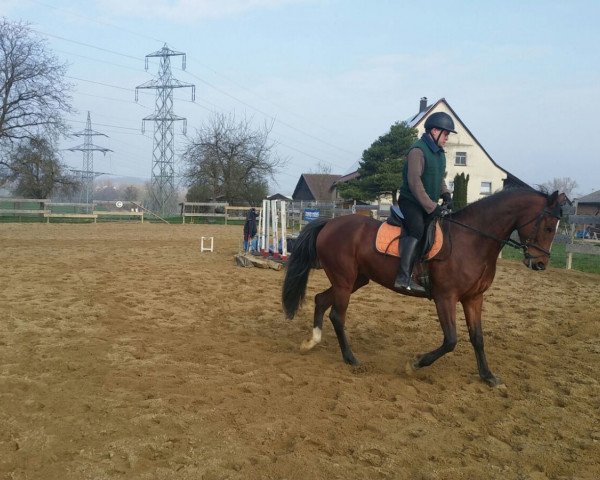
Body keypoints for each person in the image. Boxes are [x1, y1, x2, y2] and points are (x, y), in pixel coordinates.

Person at [394, 112, 455, 294]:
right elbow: (414, 183)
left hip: (427, 202)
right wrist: (431, 206)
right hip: (411, 201)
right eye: (445, 134)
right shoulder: (417, 151)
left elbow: (438, 177)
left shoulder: (439, 154)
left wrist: (446, 194)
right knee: (417, 229)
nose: (447, 138)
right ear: (434, 131)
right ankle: (403, 277)